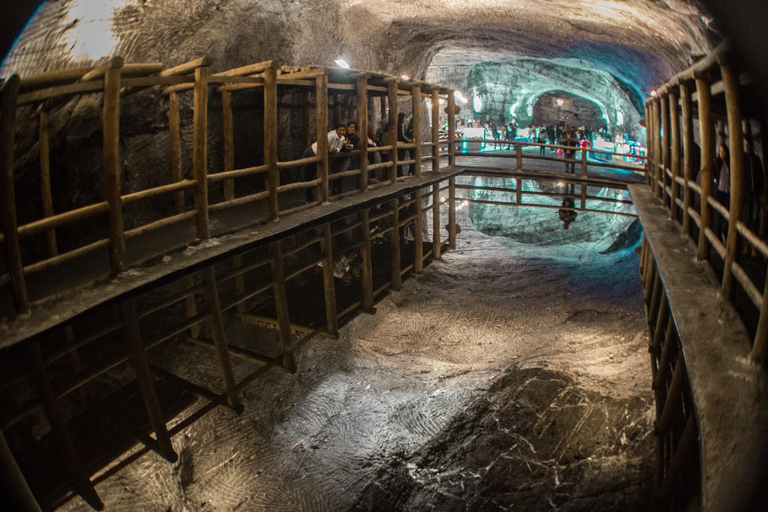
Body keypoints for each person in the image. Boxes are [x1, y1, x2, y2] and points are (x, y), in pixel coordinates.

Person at [303, 124, 347, 201]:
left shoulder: (342, 138)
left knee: (327, 176)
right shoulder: (331, 136)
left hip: (322, 157)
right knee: (309, 177)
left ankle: (324, 197)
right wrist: (331, 149)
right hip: (312, 152)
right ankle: (309, 198)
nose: (342, 132)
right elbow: (323, 143)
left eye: (343, 130)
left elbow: (338, 148)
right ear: (336, 130)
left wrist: (335, 150)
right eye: (340, 130)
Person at [743, 137, 764, 234]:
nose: (747, 147)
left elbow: (761, 176)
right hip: (747, 192)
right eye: (745, 145)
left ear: (752, 146)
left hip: (756, 191)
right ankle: (748, 238)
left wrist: (761, 192)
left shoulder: (757, 160)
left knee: (756, 214)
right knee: (748, 215)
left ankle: (754, 235)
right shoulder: (744, 159)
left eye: (748, 145)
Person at [714, 143, 731, 242]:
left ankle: (725, 232)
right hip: (720, 192)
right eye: (720, 151)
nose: (721, 153)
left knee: (727, 215)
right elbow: (714, 174)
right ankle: (719, 236)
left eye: (723, 151)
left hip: (727, 192)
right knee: (719, 216)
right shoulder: (717, 163)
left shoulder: (729, 163)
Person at [397, 112, 412, 176]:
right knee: (400, 158)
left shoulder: (397, 124)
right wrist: (409, 141)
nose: (405, 119)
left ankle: (399, 173)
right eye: (405, 117)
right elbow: (402, 135)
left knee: (399, 159)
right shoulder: (401, 125)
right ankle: (399, 174)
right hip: (401, 144)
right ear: (403, 118)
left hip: (399, 143)